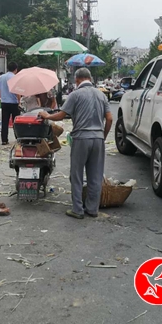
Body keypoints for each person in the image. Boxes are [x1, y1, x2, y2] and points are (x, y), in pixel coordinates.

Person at [39, 68, 113, 219]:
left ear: (77, 80)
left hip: (81, 138)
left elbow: (61, 115)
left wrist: (47, 115)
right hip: (98, 139)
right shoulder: (101, 95)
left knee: (77, 175)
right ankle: (92, 209)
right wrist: (103, 136)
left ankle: (77, 209)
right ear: (90, 78)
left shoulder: (75, 94)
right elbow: (110, 119)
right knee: (95, 176)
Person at [0, 62, 20, 145]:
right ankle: (18, 138)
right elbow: (17, 91)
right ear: (16, 69)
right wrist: (19, 101)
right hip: (14, 102)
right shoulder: (15, 77)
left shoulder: (1, 77)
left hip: (4, 102)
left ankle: (4, 140)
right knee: (16, 122)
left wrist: (2, 96)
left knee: (4, 121)